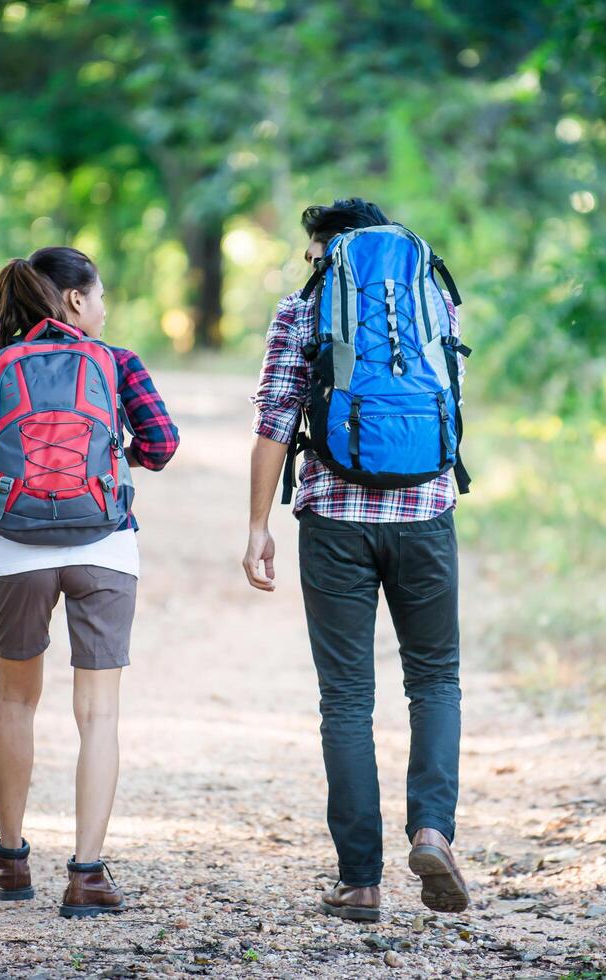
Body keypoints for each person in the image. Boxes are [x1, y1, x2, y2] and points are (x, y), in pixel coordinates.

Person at [243, 199, 471, 922]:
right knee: (433, 679)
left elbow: (276, 417)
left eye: (314, 255)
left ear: (328, 249)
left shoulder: (301, 307)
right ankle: (432, 830)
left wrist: (256, 525)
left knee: (346, 698)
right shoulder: (432, 291)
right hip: (425, 512)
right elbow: (449, 395)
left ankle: (360, 881)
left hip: (335, 521)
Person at [0, 246, 179, 918]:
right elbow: (161, 446)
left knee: (16, 703)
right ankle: (87, 876)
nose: (104, 308)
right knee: (98, 713)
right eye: (99, 295)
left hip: (13, 548)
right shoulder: (117, 361)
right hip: (103, 544)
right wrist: (110, 455)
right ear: (74, 300)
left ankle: (12, 862)